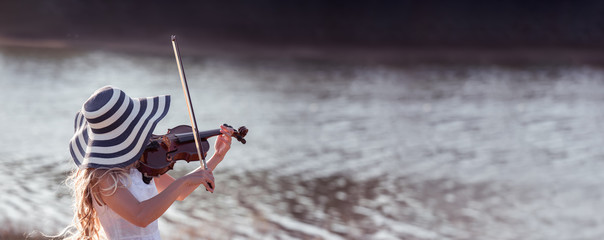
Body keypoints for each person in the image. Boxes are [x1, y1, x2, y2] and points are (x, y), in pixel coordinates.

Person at [61, 85, 233, 240]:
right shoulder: (103, 177)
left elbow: (180, 193)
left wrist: (217, 157)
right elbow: (140, 216)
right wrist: (184, 180)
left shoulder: (140, 163)